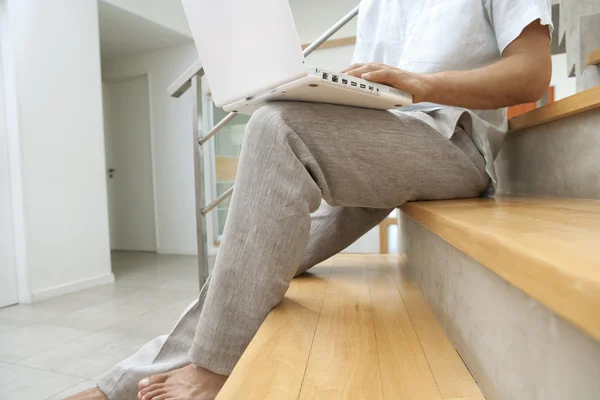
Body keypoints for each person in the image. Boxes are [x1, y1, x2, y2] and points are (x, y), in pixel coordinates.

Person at [70, 0, 553, 399]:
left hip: (454, 143)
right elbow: (377, 87)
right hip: (389, 141)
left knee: (276, 125)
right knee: (250, 261)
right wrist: (321, 88)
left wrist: (421, 83)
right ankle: (117, 386)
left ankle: (214, 367)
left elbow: (532, 73)